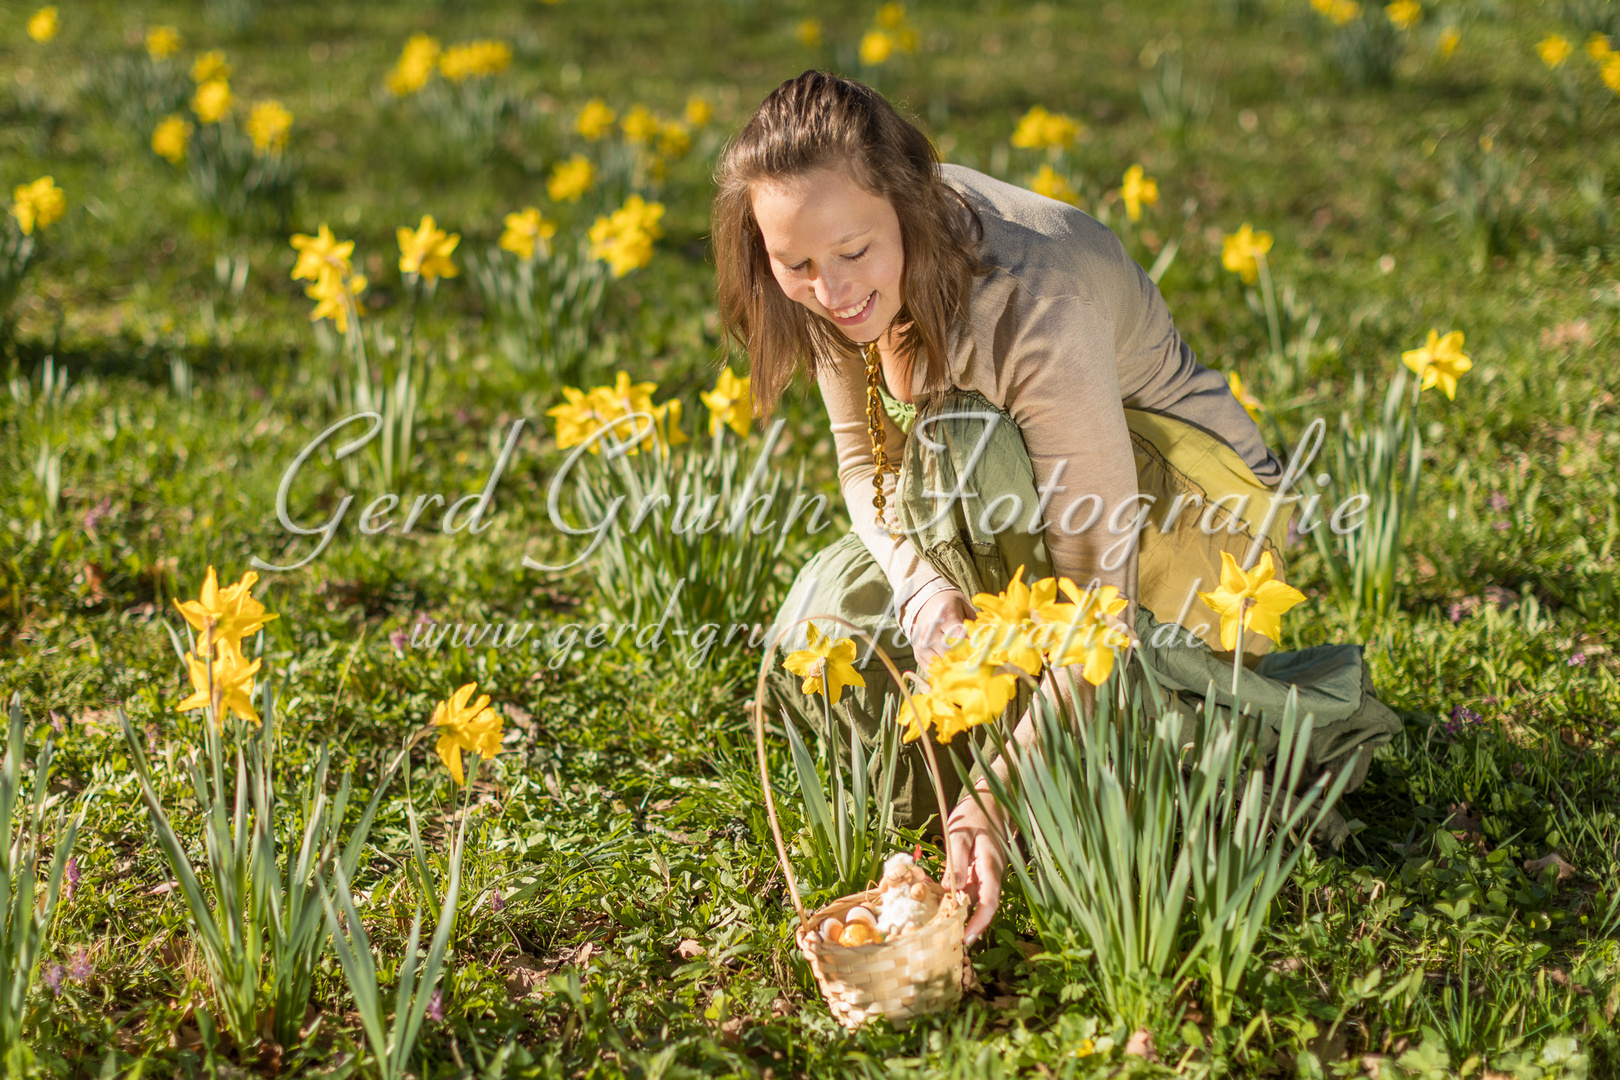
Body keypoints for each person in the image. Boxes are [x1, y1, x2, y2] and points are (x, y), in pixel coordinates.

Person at [712, 71, 1401, 946]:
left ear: (909, 205)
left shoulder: (1033, 307)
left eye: (853, 253)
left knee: (966, 443)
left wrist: (992, 805)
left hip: (1184, 527)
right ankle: (1031, 739)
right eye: (796, 263)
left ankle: (1136, 728)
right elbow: (863, 466)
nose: (832, 288)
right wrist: (923, 592)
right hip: (1015, 521)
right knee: (824, 623)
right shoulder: (825, 273)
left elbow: (1096, 608)